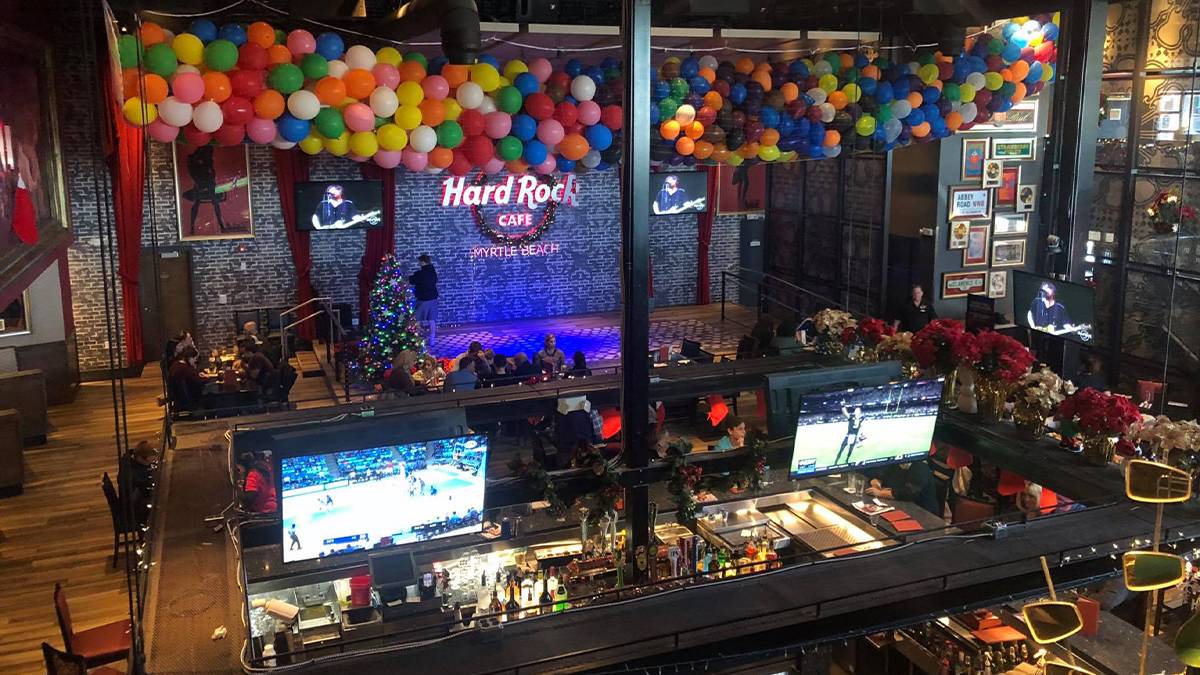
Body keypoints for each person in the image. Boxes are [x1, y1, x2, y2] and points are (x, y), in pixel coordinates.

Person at [866, 460, 941, 517]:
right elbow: (881, 475)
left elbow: (908, 493)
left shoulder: (920, 469)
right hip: (899, 506)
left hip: (923, 513)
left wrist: (880, 493)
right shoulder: (896, 462)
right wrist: (876, 482)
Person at [183, 145, 228, 234]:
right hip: (202, 188)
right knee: (202, 201)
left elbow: (211, 177)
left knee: (212, 202)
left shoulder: (205, 163)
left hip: (207, 188)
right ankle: (192, 227)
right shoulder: (198, 163)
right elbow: (198, 176)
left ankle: (222, 226)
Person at [409, 254, 439, 348]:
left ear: (422, 262)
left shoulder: (420, 273)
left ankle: (418, 340)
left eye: (419, 262)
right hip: (433, 299)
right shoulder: (433, 272)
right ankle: (432, 340)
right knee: (431, 320)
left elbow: (411, 281)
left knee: (417, 319)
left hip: (422, 300)